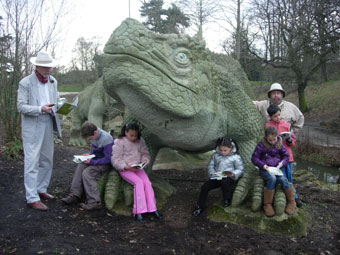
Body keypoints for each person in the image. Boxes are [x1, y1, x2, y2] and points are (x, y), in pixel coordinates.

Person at [17, 51, 61, 211]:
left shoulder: (53, 81)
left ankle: (41, 189)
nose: (48, 70)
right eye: (45, 67)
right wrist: (39, 109)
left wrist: (60, 107)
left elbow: (55, 100)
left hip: (48, 121)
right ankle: (32, 197)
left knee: (47, 159)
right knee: (32, 161)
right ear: (37, 66)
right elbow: (21, 106)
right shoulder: (25, 83)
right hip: (33, 125)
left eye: (50, 67)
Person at [111, 123, 162, 222]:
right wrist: (125, 166)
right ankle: (138, 211)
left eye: (135, 135)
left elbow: (145, 154)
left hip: (138, 168)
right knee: (138, 183)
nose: (134, 138)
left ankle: (152, 209)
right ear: (126, 132)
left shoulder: (140, 141)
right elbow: (115, 159)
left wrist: (144, 161)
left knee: (147, 183)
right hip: (126, 169)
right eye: (131, 135)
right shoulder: (119, 142)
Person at [62, 122, 114, 210]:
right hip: (95, 160)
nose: (90, 140)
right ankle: (75, 194)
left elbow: (109, 159)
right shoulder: (93, 135)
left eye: (90, 138)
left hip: (105, 164)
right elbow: (95, 150)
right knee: (80, 166)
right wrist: (89, 155)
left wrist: (92, 162)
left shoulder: (106, 139)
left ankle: (95, 201)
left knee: (87, 173)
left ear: (95, 132)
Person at [251, 126, 296, 217]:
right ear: (266, 137)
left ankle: (292, 201)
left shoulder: (279, 143)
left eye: (274, 139)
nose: (272, 142)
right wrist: (262, 165)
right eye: (270, 140)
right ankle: (267, 204)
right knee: (272, 179)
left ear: (276, 136)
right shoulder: (261, 144)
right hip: (265, 168)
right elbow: (254, 158)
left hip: (277, 168)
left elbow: (286, 156)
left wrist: (282, 163)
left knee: (283, 180)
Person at [193, 137, 244, 217]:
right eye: (221, 150)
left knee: (225, 183)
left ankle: (227, 199)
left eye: (225, 150)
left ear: (230, 148)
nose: (222, 152)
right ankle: (200, 205)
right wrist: (212, 173)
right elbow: (211, 165)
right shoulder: (215, 155)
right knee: (205, 186)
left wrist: (233, 174)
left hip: (228, 177)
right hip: (217, 176)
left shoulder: (236, 157)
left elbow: (240, 168)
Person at [265, 104, 302, 207]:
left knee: (289, 178)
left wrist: (290, 140)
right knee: (281, 178)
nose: (278, 118)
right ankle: (282, 199)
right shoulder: (268, 126)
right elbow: (266, 142)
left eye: (279, 115)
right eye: (275, 116)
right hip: (275, 158)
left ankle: (294, 198)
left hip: (287, 157)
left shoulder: (286, 125)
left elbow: (293, 141)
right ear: (270, 116)